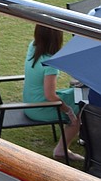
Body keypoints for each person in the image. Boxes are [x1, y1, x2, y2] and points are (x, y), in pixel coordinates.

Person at [22, 23, 81, 162]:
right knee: (81, 108)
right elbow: (50, 96)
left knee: (76, 93)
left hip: (31, 100)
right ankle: (61, 149)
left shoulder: (34, 46)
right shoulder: (49, 64)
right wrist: (68, 111)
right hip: (39, 107)